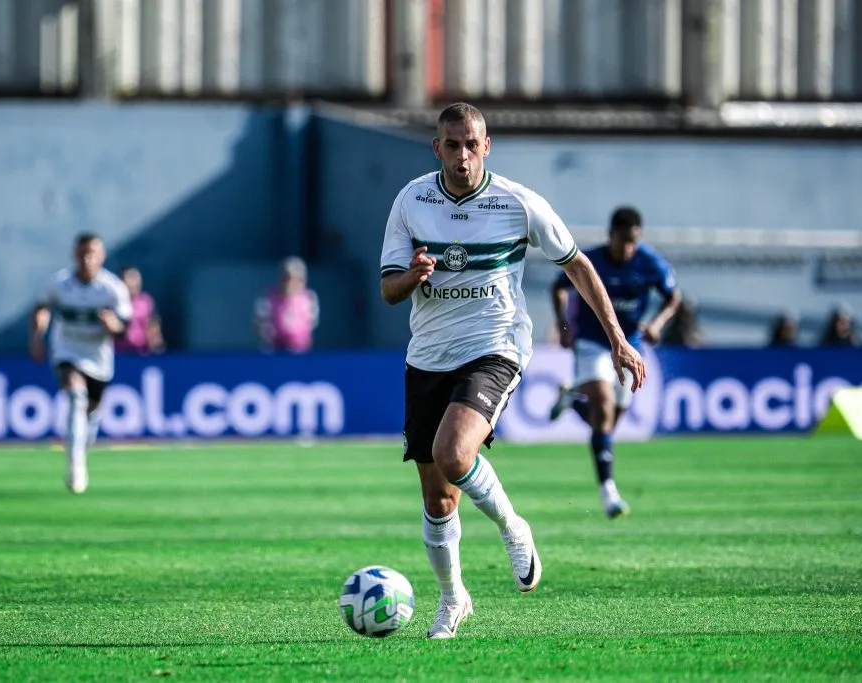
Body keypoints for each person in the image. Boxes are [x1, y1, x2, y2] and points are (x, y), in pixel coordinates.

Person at [380, 103, 646, 639]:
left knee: (454, 453)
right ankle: (453, 600)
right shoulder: (411, 200)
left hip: (495, 346)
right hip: (428, 355)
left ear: (487, 146)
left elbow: (578, 265)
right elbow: (388, 290)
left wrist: (617, 339)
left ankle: (512, 527)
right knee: (438, 497)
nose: (462, 155)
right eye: (451, 145)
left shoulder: (518, 203)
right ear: (437, 148)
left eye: (471, 144)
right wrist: (413, 276)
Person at [549, 206, 680, 519]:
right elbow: (558, 286)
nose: (627, 248)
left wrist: (657, 323)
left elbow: (673, 297)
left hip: (630, 345)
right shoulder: (590, 259)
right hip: (593, 342)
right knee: (604, 406)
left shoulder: (649, 263)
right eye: (623, 241)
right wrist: (564, 326)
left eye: (633, 241)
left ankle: (572, 402)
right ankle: (608, 491)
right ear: (611, 236)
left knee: (608, 421)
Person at [30, 233, 132, 494]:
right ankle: (76, 466)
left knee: (91, 409)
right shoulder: (60, 283)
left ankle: (87, 434)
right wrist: (38, 335)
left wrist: (114, 326)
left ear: (102, 256)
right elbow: (43, 307)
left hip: (98, 358)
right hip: (67, 351)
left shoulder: (112, 288)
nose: (87, 259)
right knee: (76, 395)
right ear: (75, 255)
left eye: (93, 253)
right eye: (82, 253)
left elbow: (125, 327)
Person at [254, 256, 320, 353]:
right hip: (274, 350)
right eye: (287, 278)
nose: (292, 283)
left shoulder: (309, 298)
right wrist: (269, 335)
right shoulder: (268, 299)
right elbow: (259, 323)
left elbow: (312, 322)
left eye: (298, 279)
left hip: (301, 350)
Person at [114, 266, 165, 355]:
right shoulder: (113, 302)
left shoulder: (147, 301)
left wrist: (156, 348)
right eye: (130, 278)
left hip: (141, 354)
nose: (133, 283)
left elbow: (153, 327)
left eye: (136, 278)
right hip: (118, 355)